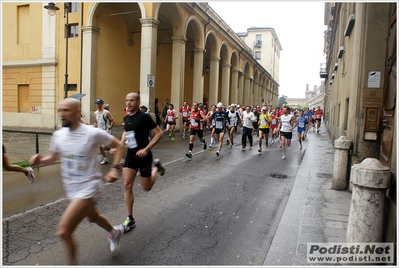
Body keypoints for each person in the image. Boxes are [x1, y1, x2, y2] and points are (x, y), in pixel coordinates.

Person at [29, 98, 126, 265]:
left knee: (64, 232)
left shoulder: (92, 133)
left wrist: (114, 169)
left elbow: (120, 146)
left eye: (66, 110)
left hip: (90, 186)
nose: (62, 114)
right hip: (71, 189)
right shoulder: (58, 135)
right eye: (60, 110)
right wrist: (40, 161)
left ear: (77, 112)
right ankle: (114, 232)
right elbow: (53, 157)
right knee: (93, 217)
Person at [121, 92, 166, 233]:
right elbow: (126, 132)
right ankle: (130, 218)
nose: (128, 103)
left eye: (131, 100)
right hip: (131, 155)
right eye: (127, 100)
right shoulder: (127, 117)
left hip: (144, 156)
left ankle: (156, 168)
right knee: (127, 184)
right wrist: (119, 144)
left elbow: (159, 133)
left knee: (146, 188)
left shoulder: (145, 117)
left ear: (138, 102)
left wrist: (146, 149)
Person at [93, 99, 116, 165]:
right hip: (99, 131)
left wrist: (109, 128)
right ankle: (105, 158)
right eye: (96, 103)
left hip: (105, 131)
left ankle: (115, 148)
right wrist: (93, 127)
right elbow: (96, 122)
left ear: (102, 104)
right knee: (100, 147)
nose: (97, 105)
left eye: (99, 103)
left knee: (104, 146)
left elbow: (113, 121)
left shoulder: (106, 112)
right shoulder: (95, 113)